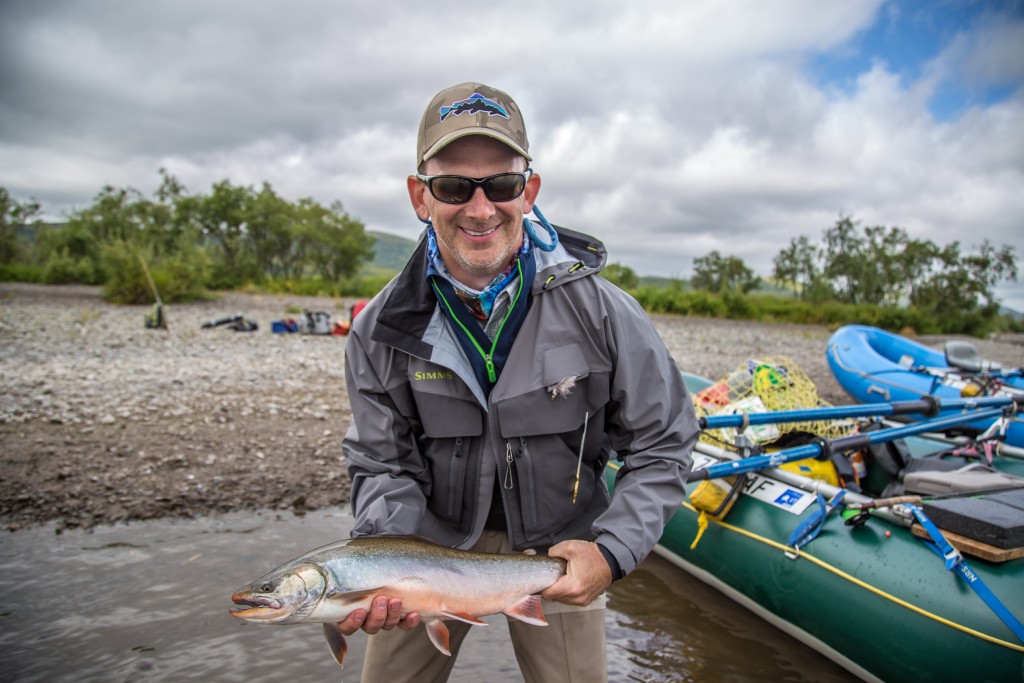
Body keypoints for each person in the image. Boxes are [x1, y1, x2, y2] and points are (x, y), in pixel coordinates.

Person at [340, 82, 698, 682]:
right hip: (429, 549)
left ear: (528, 190)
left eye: (501, 184)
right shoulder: (378, 330)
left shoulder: (604, 313)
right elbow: (382, 466)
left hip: (561, 550)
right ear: (419, 196)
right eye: (454, 186)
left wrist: (610, 552)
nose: (480, 209)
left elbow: (664, 443)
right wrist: (388, 562)